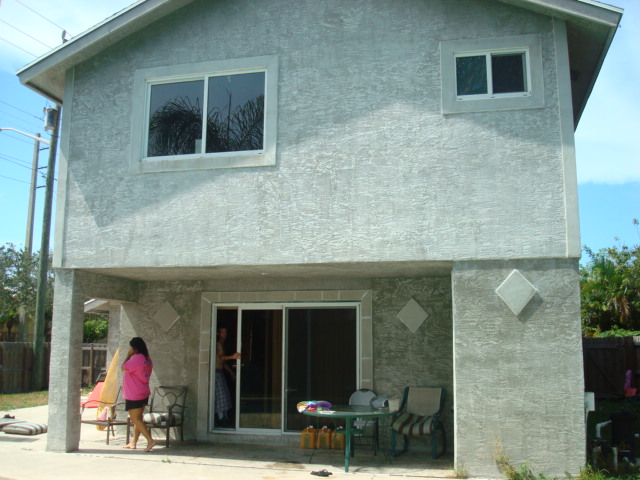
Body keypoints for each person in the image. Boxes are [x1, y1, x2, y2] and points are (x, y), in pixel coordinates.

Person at [121, 337, 156, 451]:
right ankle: (133, 442)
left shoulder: (136, 358)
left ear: (135, 348)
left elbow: (123, 368)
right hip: (143, 391)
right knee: (138, 418)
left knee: (135, 419)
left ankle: (150, 441)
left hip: (134, 393)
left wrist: (128, 356)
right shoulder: (147, 358)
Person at [215, 327, 241, 427]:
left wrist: (230, 371)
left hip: (220, 372)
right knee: (220, 396)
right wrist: (233, 357)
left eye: (225, 332)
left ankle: (225, 418)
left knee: (224, 397)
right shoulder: (218, 344)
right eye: (222, 332)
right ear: (218, 333)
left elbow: (222, 361)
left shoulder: (221, 344)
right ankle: (221, 418)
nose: (224, 334)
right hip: (216, 373)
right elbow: (221, 357)